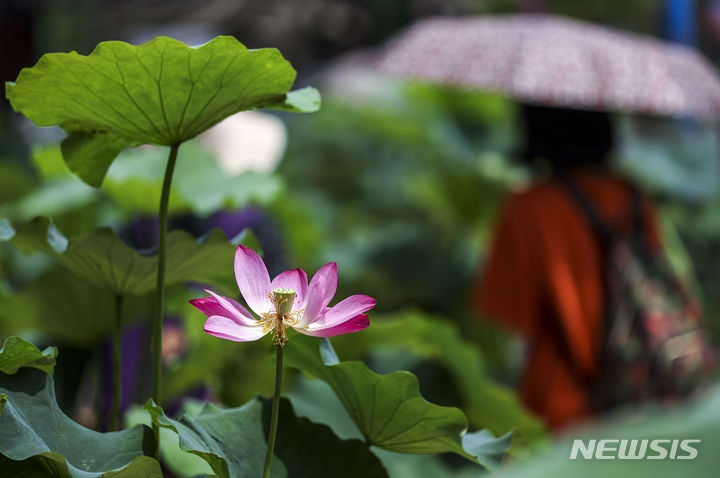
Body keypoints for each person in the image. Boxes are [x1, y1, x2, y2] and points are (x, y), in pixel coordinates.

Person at [473, 104, 663, 430]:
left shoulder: (528, 208)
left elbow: (509, 317)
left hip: (559, 403)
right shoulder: (633, 196)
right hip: (642, 396)